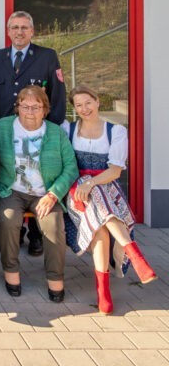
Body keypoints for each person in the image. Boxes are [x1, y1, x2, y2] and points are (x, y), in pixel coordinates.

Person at [62, 86, 156, 314]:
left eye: (88, 103)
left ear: (97, 102)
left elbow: (114, 171)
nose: (84, 108)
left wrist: (91, 183)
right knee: (98, 213)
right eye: (78, 105)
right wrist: (83, 185)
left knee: (100, 223)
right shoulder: (69, 129)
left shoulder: (116, 131)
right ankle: (134, 255)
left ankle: (103, 293)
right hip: (76, 191)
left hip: (105, 187)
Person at [0, 11, 67, 257]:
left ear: (32, 31)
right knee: (13, 177)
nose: (19, 32)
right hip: (7, 135)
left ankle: (36, 235)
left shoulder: (47, 56)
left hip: (38, 133)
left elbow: (57, 96)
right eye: (15, 27)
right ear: (8, 31)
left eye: (24, 28)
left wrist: (50, 130)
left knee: (36, 179)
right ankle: (16, 230)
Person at [0, 86, 78, 302]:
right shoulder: (3, 127)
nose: (30, 111)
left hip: (45, 192)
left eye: (36, 107)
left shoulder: (55, 132)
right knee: (9, 220)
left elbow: (71, 167)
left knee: (53, 226)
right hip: (12, 189)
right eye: (25, 106)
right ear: (18, 107)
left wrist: (53, 194)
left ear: (45, 110)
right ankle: (11, 272)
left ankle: (55, 277)